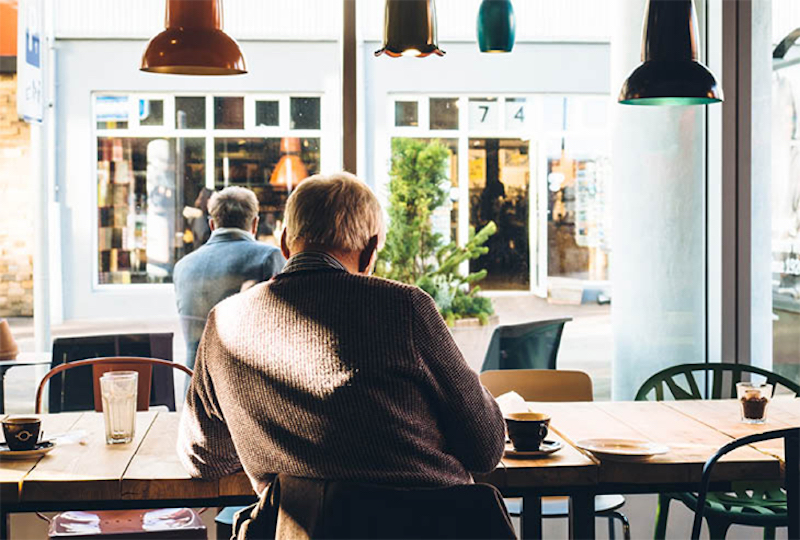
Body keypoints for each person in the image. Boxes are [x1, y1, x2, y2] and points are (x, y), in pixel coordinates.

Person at [177, 172, 505, 498]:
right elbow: (485, 448)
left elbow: (204, 458)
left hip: (299, 531)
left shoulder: (224, 322)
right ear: (370, 251)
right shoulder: (405, 307)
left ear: (285, 242)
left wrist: (270, 440)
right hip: (432, 528)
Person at [173, 186, 285, 372]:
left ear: (212, 225)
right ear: (255, 224)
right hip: (243, 388)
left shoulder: (183, 266)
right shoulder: (268, 257)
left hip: (194, 388)